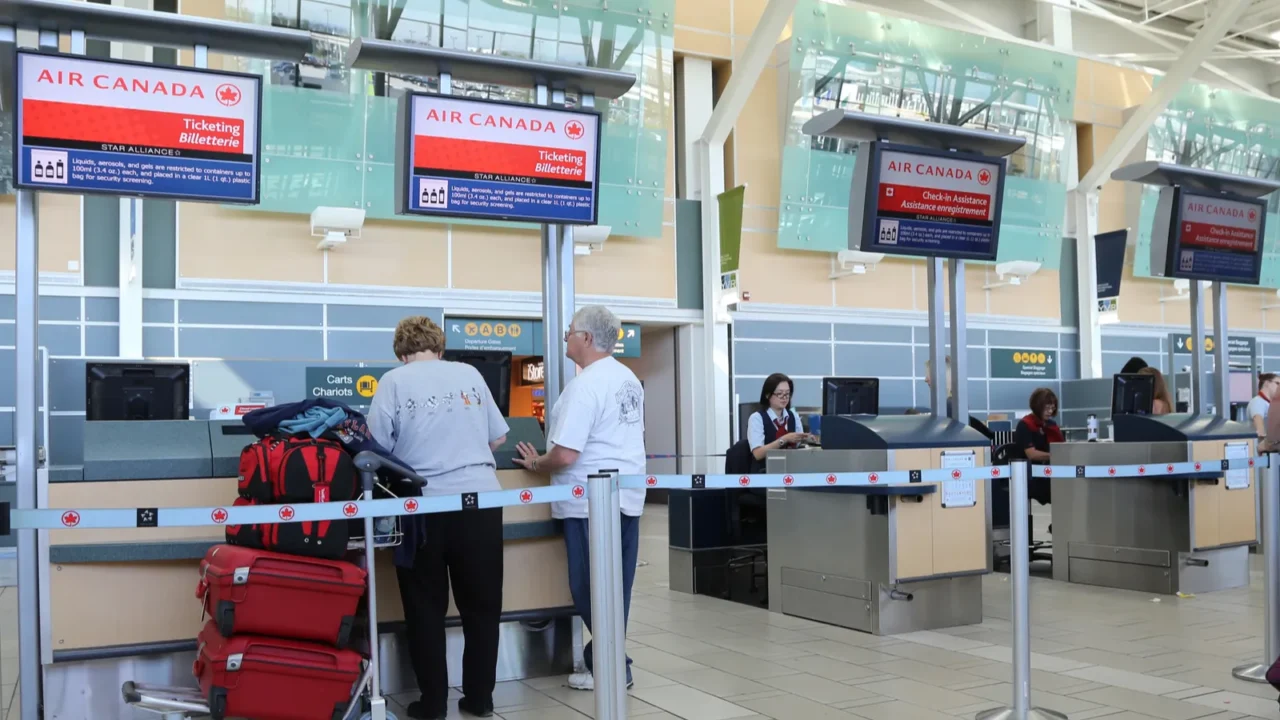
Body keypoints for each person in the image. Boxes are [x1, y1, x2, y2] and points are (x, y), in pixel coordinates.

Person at [368, 316, 509, 720]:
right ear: (441, 348)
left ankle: (432, 705)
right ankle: (480, 699)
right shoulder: (469, 374)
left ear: (401, 352)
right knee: (482, 607)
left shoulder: (394, 381)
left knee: (425, 608)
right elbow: (498, 437)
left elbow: (378, 447)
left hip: (423, 507)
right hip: (480, 503)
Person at [511, 306, 646, 691]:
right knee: (615, 587)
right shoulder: (627, 379)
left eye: (570, 331)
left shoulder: (586, 385)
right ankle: (609, 663)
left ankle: (613, 668)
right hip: (626, 495)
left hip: (590, 503)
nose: (566, 336)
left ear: (586, 338)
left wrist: (536, 462)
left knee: (589, 587)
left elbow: (566, 454)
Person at [747, 373, 813, 463]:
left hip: (790, 468)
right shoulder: (757, 418)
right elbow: (758, 454)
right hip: (765, 472)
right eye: (780, 394)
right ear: (767, 395)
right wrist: (784, 439)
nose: (784, 398)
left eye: (787, 394)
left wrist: (806, 439)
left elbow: (798, 446)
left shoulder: (793, 416)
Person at [1014, 387, 1064, 465]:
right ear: (1037, 406)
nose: (1050, 411)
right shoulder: (1025, 424)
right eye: (1047, 408)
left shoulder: (1052, 425)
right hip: (1029, 471)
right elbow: (1032, 454)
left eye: (1052, 408)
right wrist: (1055, 456)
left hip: (1050, 469)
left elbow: (1061, 447)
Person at [1249, 373, 1277, 441]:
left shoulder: (1268, 403)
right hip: (1267, 449)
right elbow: (1260, 430)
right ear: (1267, 383)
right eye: (1277, 383)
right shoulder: (1258, 402)